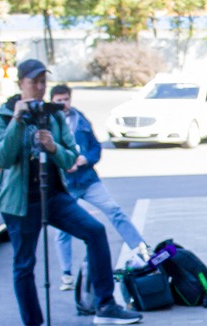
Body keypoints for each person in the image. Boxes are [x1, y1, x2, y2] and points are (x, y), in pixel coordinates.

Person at [0, 58, 143, 326]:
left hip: (54, 195)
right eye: (33, 82)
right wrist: (16, 122)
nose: (39, 87)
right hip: (19, 202)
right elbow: (3, 158)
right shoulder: (5, 113)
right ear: (20, 84)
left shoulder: (54, 115)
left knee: (95, 231)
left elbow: (69, 157)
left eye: (42, 81)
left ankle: (105, 304)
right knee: (24, 265)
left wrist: (52, 147)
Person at [51, 83, 147, 290]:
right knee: (62, 231)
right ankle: (66, 274)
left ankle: (141, 248)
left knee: (114, 210)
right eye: (58, 101)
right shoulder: (49, 123)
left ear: (70, 99)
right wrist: (62, 164)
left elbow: (96, 146)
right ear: (52, 101)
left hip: (87, 179)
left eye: (65, 99)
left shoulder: (80, 118)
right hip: (65, 184)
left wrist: (85, 159)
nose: (62, 104)